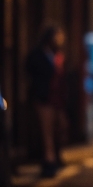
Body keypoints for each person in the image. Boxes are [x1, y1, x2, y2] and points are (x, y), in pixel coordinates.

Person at [25, 25, 68, 178]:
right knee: (46, 132)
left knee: (59, 128)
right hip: (44, 97)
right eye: (57, 37)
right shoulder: (38, 55)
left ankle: (54, 158)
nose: (59, 40)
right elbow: (32, 70)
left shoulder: (57, 55)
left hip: (56, 98)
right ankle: (49, 162)